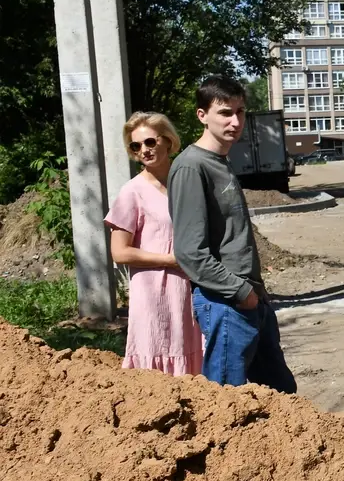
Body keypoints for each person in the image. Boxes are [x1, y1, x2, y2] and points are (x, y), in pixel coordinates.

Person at [168, 76, 296, 392]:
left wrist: (256, 293)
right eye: (225, 112)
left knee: (282, 394)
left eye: (240, 111)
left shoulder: (220, 161)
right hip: (225, 302)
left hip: (250, 298)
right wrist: (240, 292)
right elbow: (190, 252)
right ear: (202, 115)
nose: (235, 121)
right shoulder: (191, 167)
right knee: (227, 398)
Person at [105, 112, 202, 376]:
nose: (144, 150)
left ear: (168, 141)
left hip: (193, 290)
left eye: (150, 142)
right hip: (154, 295)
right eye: (136, 146)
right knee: (158, 371)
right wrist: (171, 260)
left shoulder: (188, 182)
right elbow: (119, 252)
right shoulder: (131, 192)